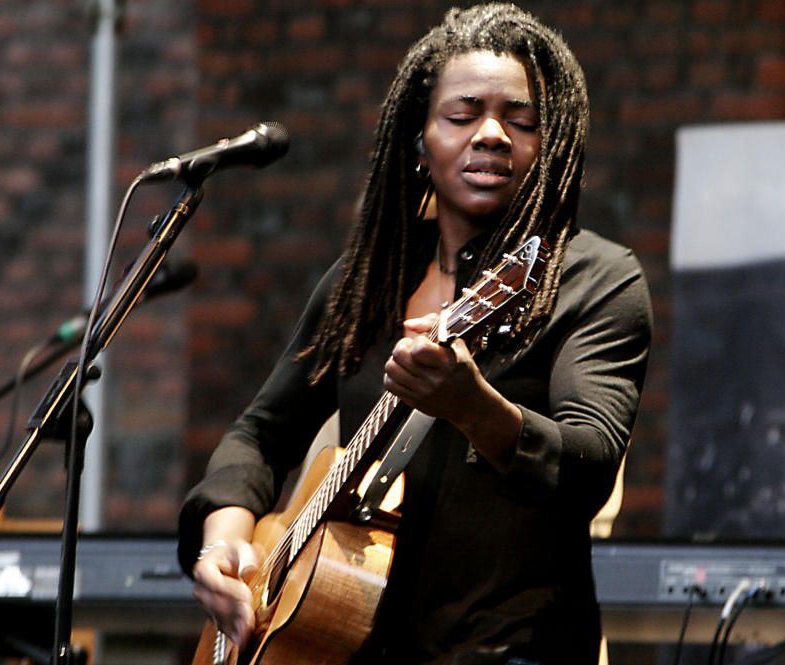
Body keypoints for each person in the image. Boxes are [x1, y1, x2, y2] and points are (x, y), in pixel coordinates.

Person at [177, 4, 652, 664]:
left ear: (552, 148)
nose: (491, 134)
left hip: (511, 646)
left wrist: (472, 405)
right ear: (419, 141)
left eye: (521, 120)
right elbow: (259, 433)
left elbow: (589, 466)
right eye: (462, 116)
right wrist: (225, 539)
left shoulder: (593, 279)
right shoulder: (366, 282)